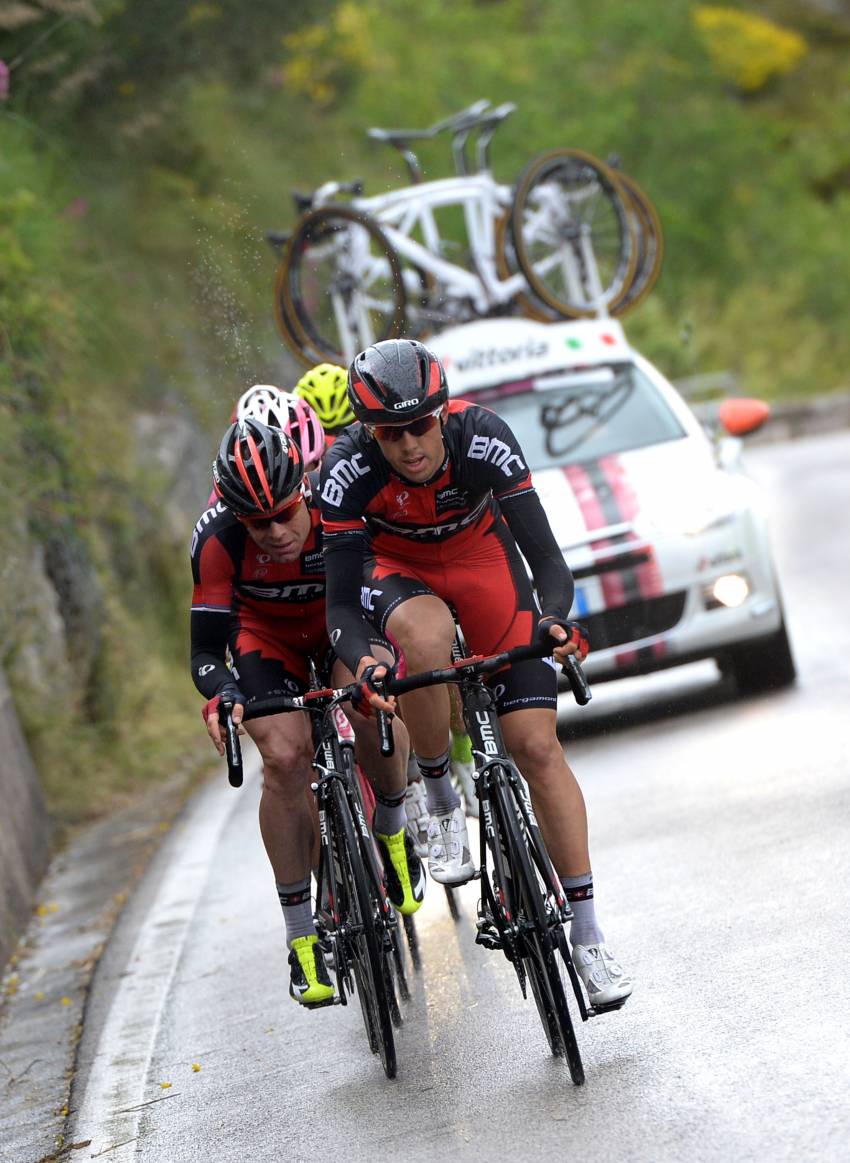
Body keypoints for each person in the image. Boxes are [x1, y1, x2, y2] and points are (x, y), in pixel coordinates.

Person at [318, 339, 632, 1007]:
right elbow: (340, 603)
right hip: (397, 573)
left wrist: (551, 618)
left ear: (442, 412)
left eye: (420, 425)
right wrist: (366, 655)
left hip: (482, 558)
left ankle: (589, 935)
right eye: (390, 433)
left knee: (537, 746)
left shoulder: (483, 436)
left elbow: (546, 559)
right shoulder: (345, 472)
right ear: (368, 431)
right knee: (425, 637)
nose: (407, 445)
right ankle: (438, 797)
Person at [190, 416, 424, 1008]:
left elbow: (372, 593)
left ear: (304, 489)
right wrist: (223, 695)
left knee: (371, 707)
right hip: (267, 640)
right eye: (256, 522)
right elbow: (203, 650)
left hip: (337, 626)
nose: (273, 532)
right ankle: (300, 938)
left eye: (282, 513)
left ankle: (393, 828)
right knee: (287, 758)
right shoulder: (217, 539)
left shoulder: (336, 507)